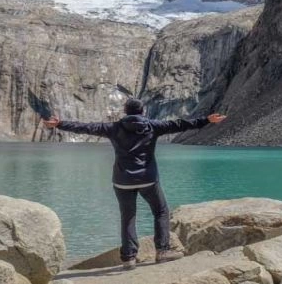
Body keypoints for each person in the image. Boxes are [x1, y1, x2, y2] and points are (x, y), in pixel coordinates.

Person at [42, 98, 227, 271]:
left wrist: (59, 123)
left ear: (125, 112)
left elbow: (86, 128)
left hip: (122, 181)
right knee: (161, 211)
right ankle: (163, 251)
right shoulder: (153, 126)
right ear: (142, 111)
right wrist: (207, 120)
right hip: (148, 179)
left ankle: (129, 258)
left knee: (128, 216)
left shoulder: (113, 128)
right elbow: (180, 124)